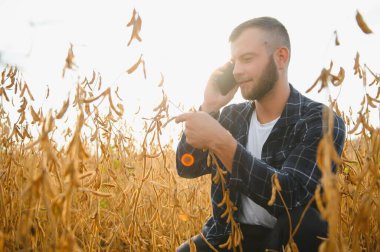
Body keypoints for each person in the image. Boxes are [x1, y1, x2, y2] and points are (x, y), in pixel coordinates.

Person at [175, 17, 345, 252]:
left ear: (281, 57)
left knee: (308, 225)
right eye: (233, 62)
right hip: (229, 236)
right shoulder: (231, 117)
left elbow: (291, 196)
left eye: (247, 59)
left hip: (285, 237)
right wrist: (210, 106)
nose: (236, 71)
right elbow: (187, 166)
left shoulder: (319, 121)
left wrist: (223, 144)